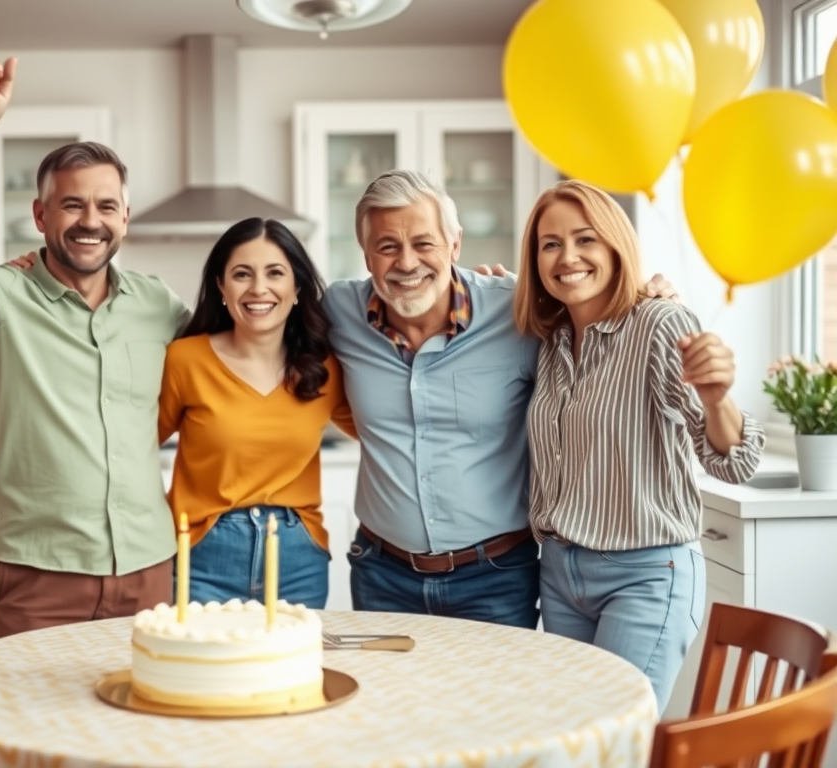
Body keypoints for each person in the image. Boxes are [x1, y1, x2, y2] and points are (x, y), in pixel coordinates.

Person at [0, 55, 190, 639]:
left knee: (150, 719)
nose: (91, 220)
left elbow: (228, 362)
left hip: (150, 568)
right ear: (40, 214)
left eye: (107, 206)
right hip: (39, 574)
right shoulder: (3, 298)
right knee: (28, 722)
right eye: (72, 204)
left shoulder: (158, 304)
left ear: (126, 218)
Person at [322, 170, 677, 629]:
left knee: (496, 703)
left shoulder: (519, 311)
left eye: (424, 244)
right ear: (366, 254)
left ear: (454, 246)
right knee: (392, 701)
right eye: (387, 246)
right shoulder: (337, 312)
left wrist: (647, 300)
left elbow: (599, 326)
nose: (407, 262)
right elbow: (264, 321)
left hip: (497, 577)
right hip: (381, 574)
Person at [513, 179, 765, 712]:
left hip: (645, 573)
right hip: (559, 573)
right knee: (573, 736)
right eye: (550, 244)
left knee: (616, 738)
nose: (568, 257)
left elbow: (734, 461)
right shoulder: (553, 341)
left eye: (586, 240)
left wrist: (718, 399)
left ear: (615, 246)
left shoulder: (658, 324)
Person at [157, 217, 356, 608]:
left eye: (275, 273)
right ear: (221, 286)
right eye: (242, 274)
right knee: (200, 668)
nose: (258, 289)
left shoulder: (325, 369)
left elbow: (387, 428)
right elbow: (133, 448)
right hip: (202, 554)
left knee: (292, 669)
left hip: (298, 557)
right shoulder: (185, 360)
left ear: (296, 287)